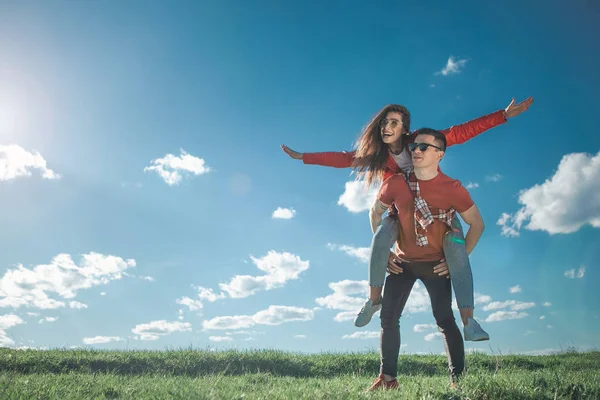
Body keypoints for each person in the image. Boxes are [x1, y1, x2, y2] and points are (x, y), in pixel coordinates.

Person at [281, 97, 533, 340]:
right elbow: (344, 158)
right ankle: (373, 299)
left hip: (436, 210)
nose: (386, 127)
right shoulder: (378, 156)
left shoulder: (421, 143)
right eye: (384, 123)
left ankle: (469, 322)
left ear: (405, 129)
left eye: (393, 123)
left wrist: (502, 116)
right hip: (400, 212)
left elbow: (460, 132)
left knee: (457, 250)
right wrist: (304, 157)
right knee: (380, 235)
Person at [368, 128, 484, 390]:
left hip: (435, 265)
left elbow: (477, 224)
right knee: (388, 318)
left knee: (444, 319)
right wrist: (384, 251)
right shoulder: (396, 183)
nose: (416, 151)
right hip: (402, 263)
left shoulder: (452, 188)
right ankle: (388, 380)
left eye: (424, 147)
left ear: (440, 155)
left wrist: (458, 258)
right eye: (414, 146)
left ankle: (458, 381)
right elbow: (375, 215)